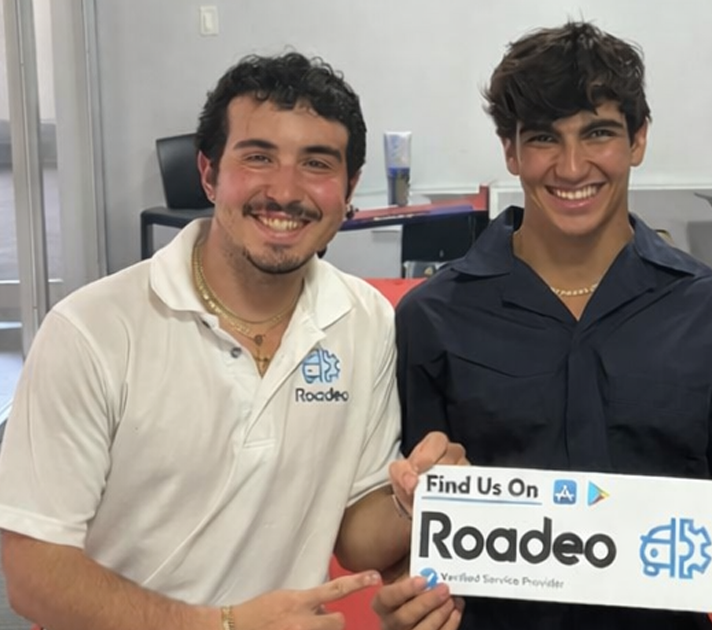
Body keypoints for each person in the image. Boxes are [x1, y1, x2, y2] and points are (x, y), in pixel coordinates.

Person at [0, 52, 462, 630]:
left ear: (348, 190)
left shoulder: (364, 319)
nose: (285, 190)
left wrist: (415, 496)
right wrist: (222, 625)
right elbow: (33, 575)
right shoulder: (92, 331)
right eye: (258, 157)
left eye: (316, 163)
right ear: (209, 172)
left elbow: (356, 534)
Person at [376, 20, 712, 630]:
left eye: (598, 133)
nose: (571, 167)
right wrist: (409, 596)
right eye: (544, 137)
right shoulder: (432, 318)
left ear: (638, 139)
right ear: (511, 151)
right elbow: (409, 529)